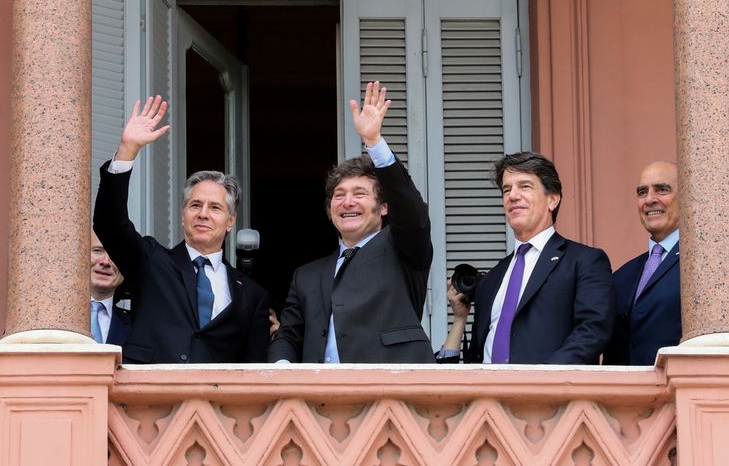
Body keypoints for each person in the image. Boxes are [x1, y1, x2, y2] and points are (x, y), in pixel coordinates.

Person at [93, 96, 270, 363]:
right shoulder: (151, 261)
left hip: (215, 402)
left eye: (215, 208)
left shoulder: (252, 294)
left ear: (230, 220)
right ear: (183, 214)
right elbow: (110, 223)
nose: (203, 213)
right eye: (195, 204)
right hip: (149, 398)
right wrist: (127, 150)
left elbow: (253, 365)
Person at [268, 81, 435, 363]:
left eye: (359, 194)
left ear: (384, 207)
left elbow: (413, 214)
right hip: (321, 398)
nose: (347, 202)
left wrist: (375, 143)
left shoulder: (403, 249)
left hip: (392, 391)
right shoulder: (307, 276)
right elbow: (288, 335)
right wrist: (282, 367)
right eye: (339, 195)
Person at [440, 151, 614, 364]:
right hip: (488, 395)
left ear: (552, 199)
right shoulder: (492, 279)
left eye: (525, 186)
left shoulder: (584, 261)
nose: (512, 196)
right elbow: (476, 353)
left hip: (548, 393)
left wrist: (542, 381)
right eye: (506, 189)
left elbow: (593, 330)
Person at [604, 161, 681, 365]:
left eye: (662, 190)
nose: (649, 200)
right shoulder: (622, 276)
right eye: (642, 192)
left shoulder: (702, 265)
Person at [90, 231, 131, 345]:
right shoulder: (50, 316)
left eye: (116, 254)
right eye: (97, 251)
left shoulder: (138, 327)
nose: (106, 262)